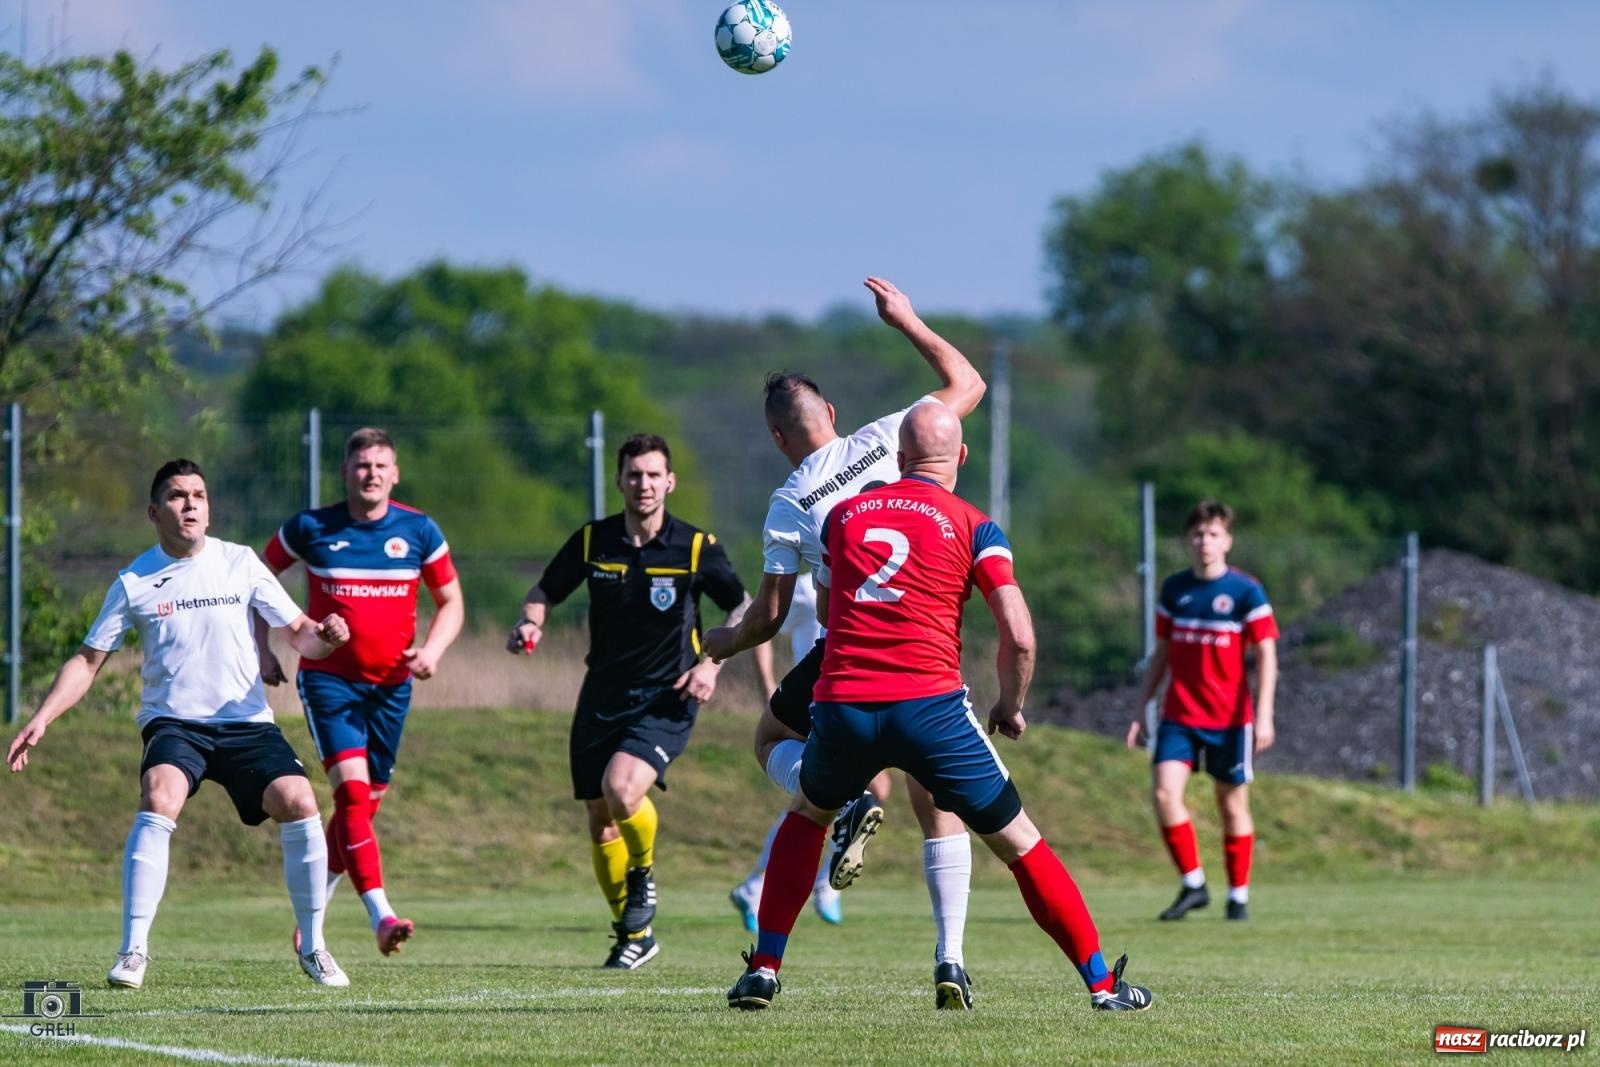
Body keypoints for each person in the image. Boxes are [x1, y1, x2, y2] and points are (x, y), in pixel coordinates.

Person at [725, 405, 1153, 1014]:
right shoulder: (976, 525)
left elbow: (823, 612)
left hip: (844, 701)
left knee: (808, 812)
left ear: (897, 459)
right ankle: (1102, 986)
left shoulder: (845, 515)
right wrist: (1010, 703)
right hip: (930, 708)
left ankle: (765, 968)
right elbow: (1020, 635)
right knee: (1020, 843)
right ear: (962, 457)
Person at [704, 276, 988, 1009]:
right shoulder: (887, 438)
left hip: (847, 661)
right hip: (926, 650)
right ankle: (950, 958)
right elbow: (968, 381)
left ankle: (838, 806)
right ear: (830, 413)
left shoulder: (790, 500)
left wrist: (719, 644)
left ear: (777, 438)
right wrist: (908, 321)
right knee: (937, 805)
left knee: (774, 739)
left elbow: (767, 616)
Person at [5, 459, 353, 990]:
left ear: (209, 509)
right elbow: (86, 662)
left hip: (246, 725)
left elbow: (301, 632)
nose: (190, 504)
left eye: (198, 495)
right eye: (176, 496)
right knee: (159, 793)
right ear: (154, 511)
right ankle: (133, 951)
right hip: (176, 724)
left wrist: (326, 635)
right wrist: (42, 717)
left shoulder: (241, 563)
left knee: (301, 802)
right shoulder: (134, 581)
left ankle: (315, 947)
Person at [508, 433, 759, 970]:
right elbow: (543, 592)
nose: (643, 484)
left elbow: (741, 607)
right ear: (620, 480)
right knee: (599, 820)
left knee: (622, 790)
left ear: (669, 481)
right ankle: (634, 935)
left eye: (653, 475)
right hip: (600, 694)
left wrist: (711, 664)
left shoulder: (695, 546)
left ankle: (643, 874)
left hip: (667, 697)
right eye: (634, 474)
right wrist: (530, 624)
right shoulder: (592, 541)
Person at [258, 427, 464, 956]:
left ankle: (312, 919)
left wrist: (433, 652)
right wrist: (264, 648)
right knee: (350, 796)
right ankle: (381, 914)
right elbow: (254, 581)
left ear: (394, 474)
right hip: (329, 683)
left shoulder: (418, 531)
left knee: (360, 812)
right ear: (345, 473)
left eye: (380, 466)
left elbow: (451, 602)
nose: (370, 473)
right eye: (361, 465)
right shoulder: (310, 527)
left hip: (393, 690)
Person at [1126, 500, 1279, 922]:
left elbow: (1267, 654)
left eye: (1213, 534)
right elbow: (1162, 653)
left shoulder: (1246, 591)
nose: (1204, 541)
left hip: (1231, 719)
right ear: (1188, 541)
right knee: (1163, 793)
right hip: (1180, 715)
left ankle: (1238, 896)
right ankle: (1194, 885)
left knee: (1231, 804)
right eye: (1197, 534)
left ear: (1227, 540)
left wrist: (1264, 715)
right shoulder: (1175, 590)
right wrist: (1142, 707)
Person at [735, 573, 893, 928]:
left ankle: (764, 886)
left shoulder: (875, 576)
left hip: (850, 695)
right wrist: (767, 685)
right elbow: (761, 619)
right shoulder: (810, 586)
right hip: (815, 698)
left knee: (835, 795)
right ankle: (808, 886)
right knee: (839, 792)